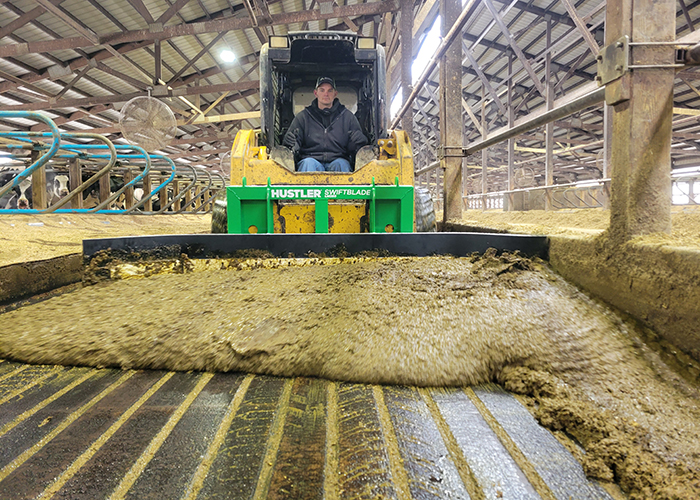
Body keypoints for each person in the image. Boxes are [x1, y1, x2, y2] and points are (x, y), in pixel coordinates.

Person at [283, 76, 368, 172]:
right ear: (316, 93)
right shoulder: (303, 117)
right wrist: (291, 144)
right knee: (307, 164)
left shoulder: (348, 118)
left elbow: (355, 148)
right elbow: (293, 144)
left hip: (338, 160)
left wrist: (359, 142)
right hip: (311, 160)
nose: (326, 94)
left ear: (335, 93)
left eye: (330, 90)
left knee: (342, 164)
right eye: (322, 90)